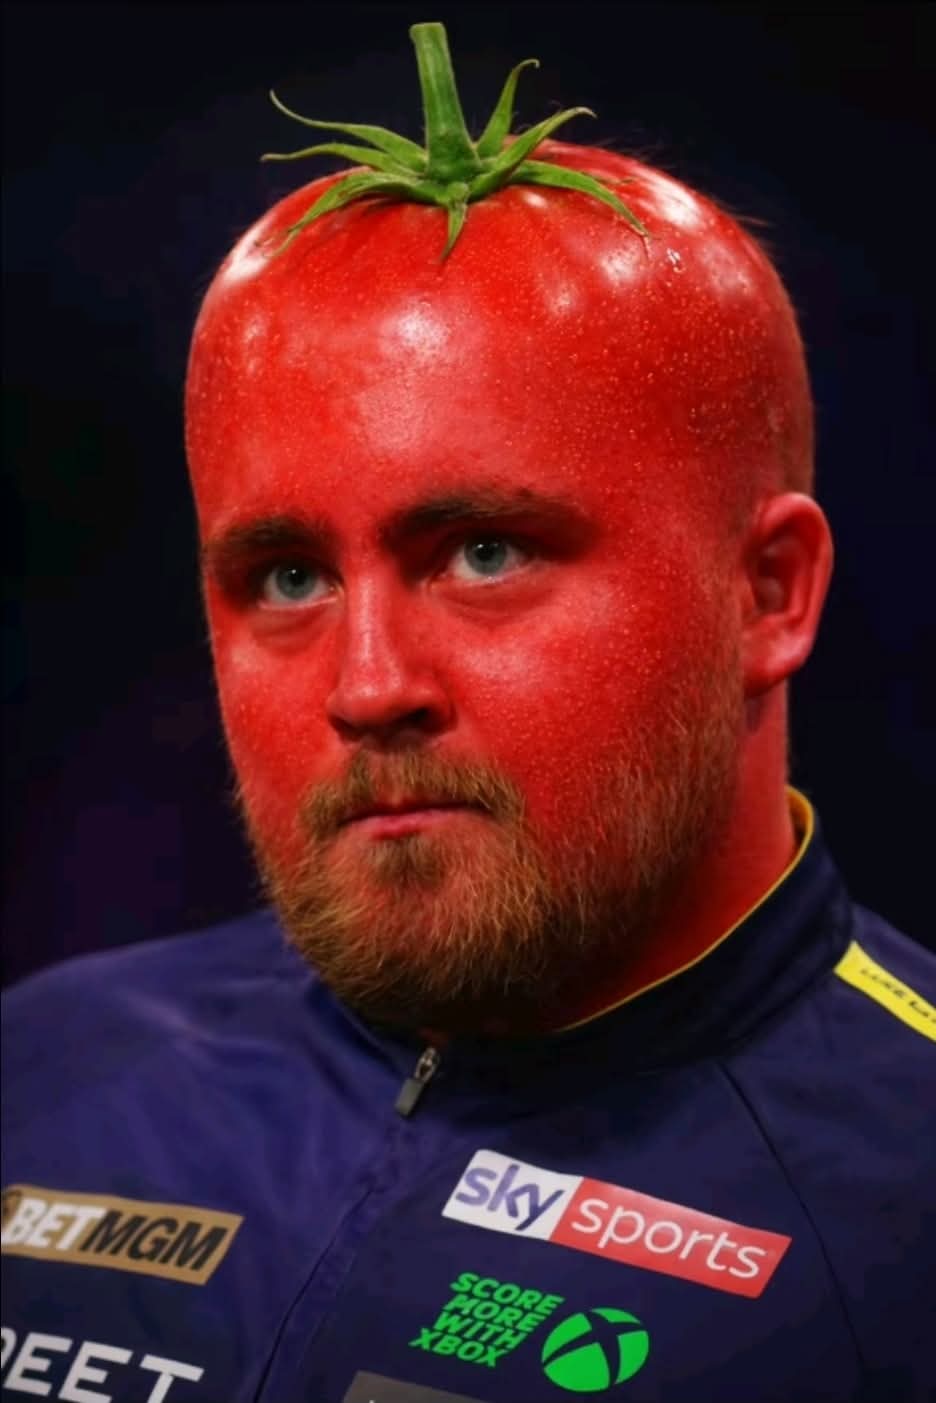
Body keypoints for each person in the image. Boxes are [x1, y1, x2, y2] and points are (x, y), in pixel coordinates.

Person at [2, 21, 933, 1403]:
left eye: (485, 554)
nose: (369, 687)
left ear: (768, 594)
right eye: (290, 578)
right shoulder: (42, 1073)